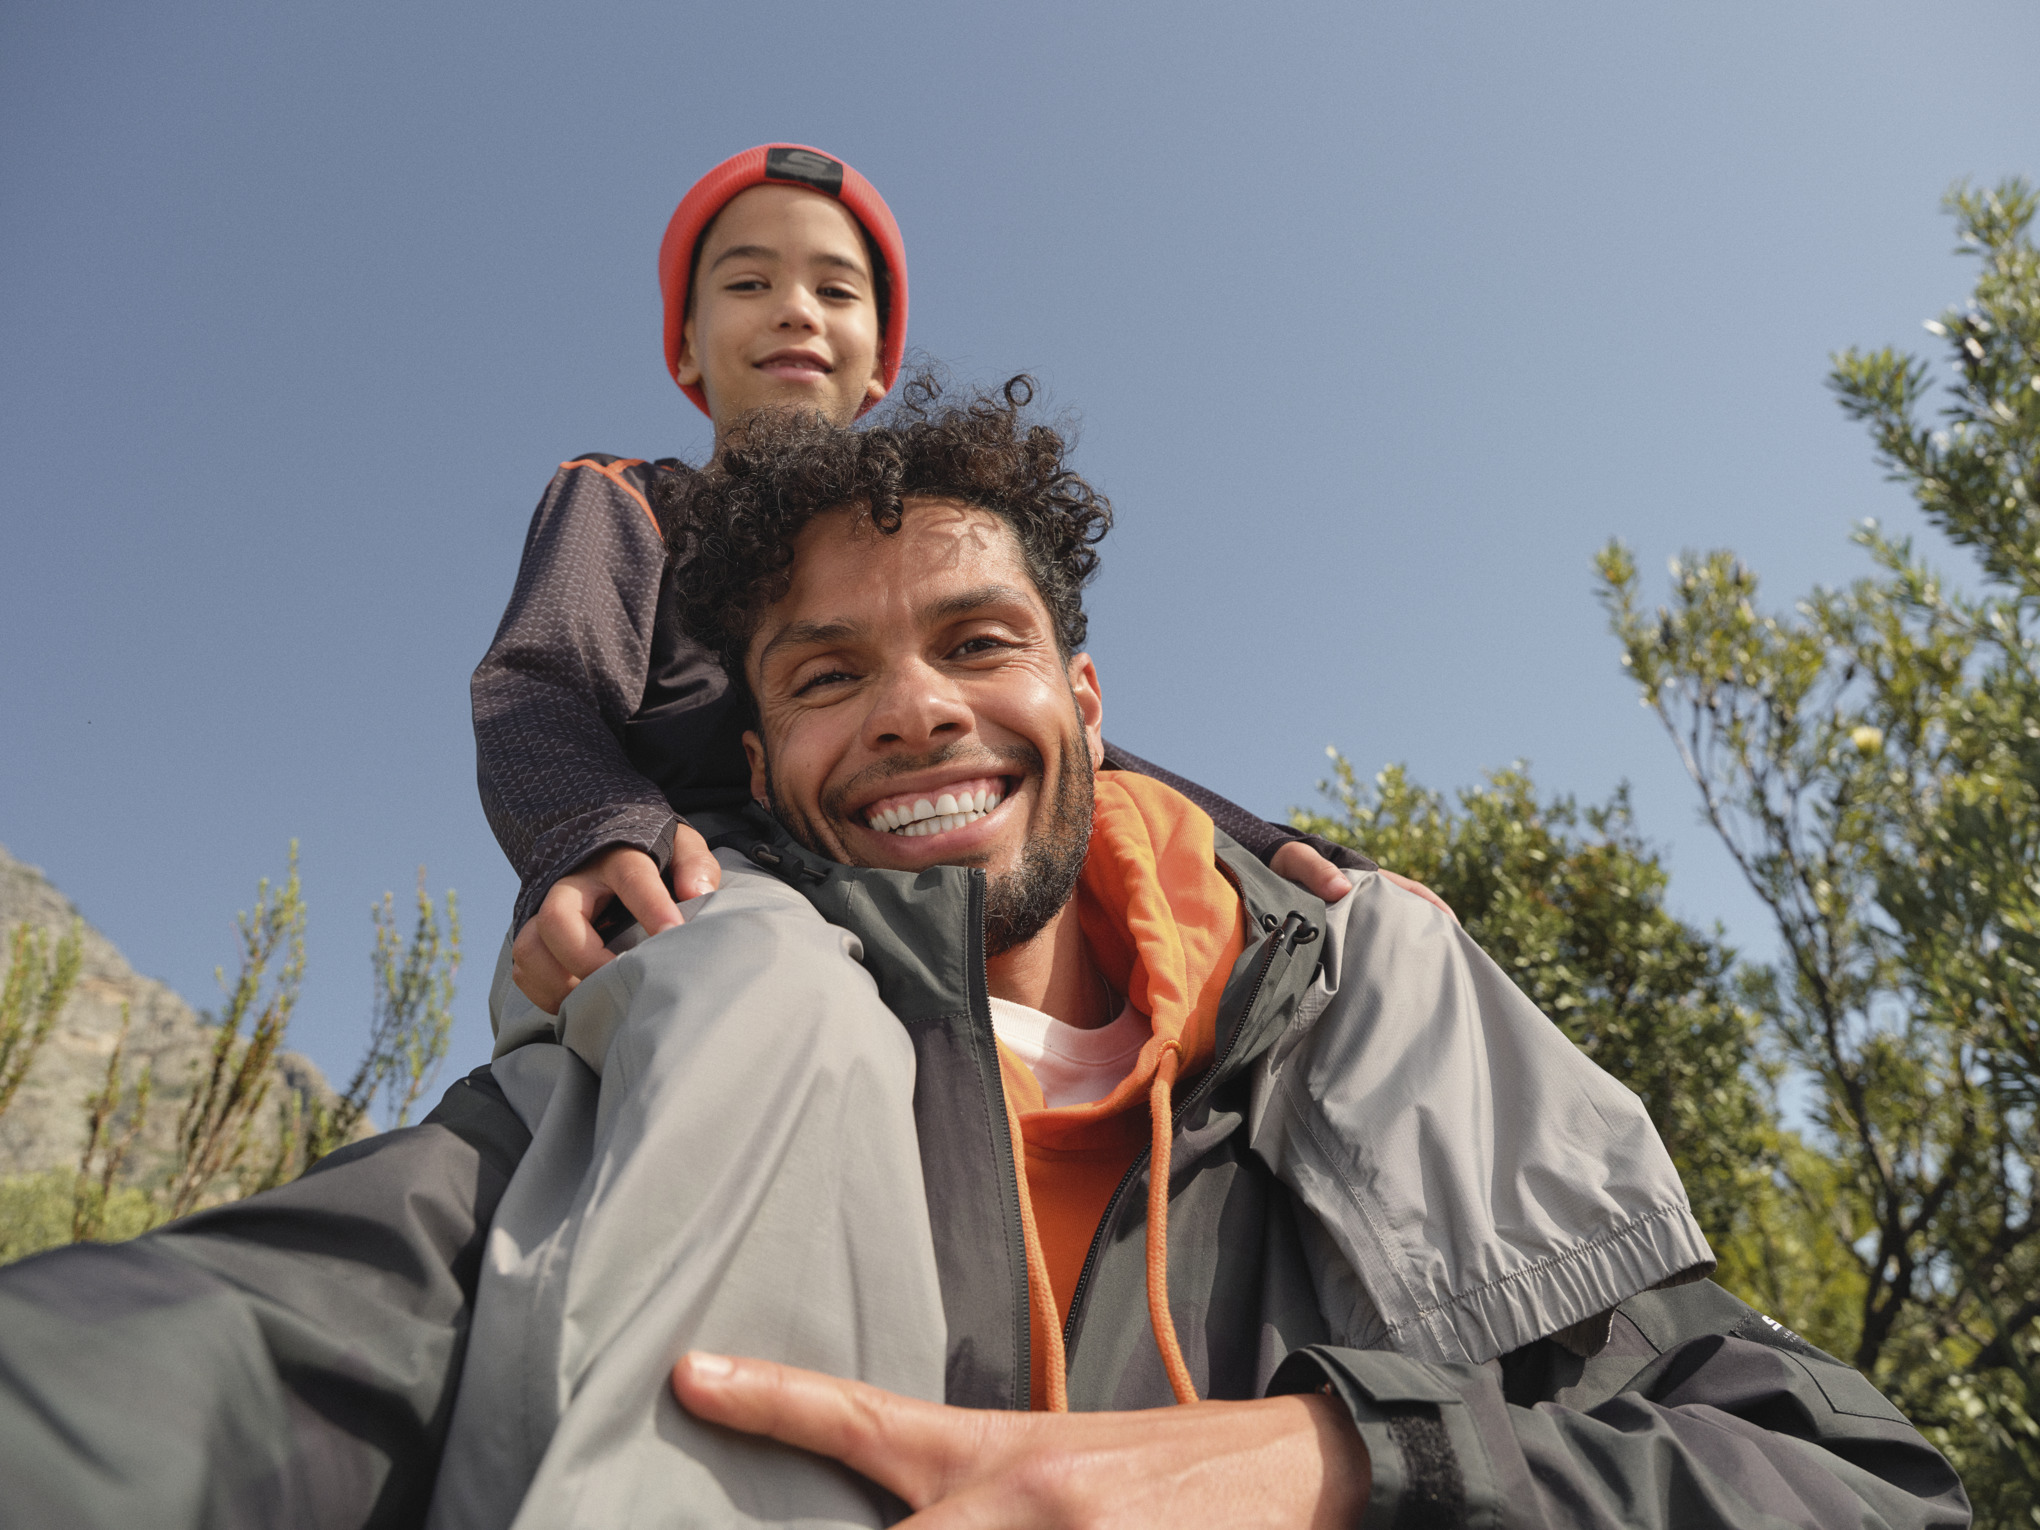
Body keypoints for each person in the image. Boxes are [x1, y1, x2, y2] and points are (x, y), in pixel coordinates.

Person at [0, 382, 1967, 1528]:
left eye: (977, 642)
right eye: (826, 674)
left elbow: (1846, 1484)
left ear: (1087, 699)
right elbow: (265, 1339)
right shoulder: (675, 1040)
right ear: (757, 764)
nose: (918, 709)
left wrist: (1333, 1464)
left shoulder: (1380, 1026)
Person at [471, 143, 1398, 1026]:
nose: (795, 310)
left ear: (881, 359)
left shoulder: (907, 530)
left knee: (1300, 917)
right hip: (694, 889)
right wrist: (593, 827)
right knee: (747, 977)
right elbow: (540, 683)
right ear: (685, 348)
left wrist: (1264, 843)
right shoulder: (629, 499)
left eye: (836, 289)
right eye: (749, 283)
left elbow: (1046, 731)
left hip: (900, 898)